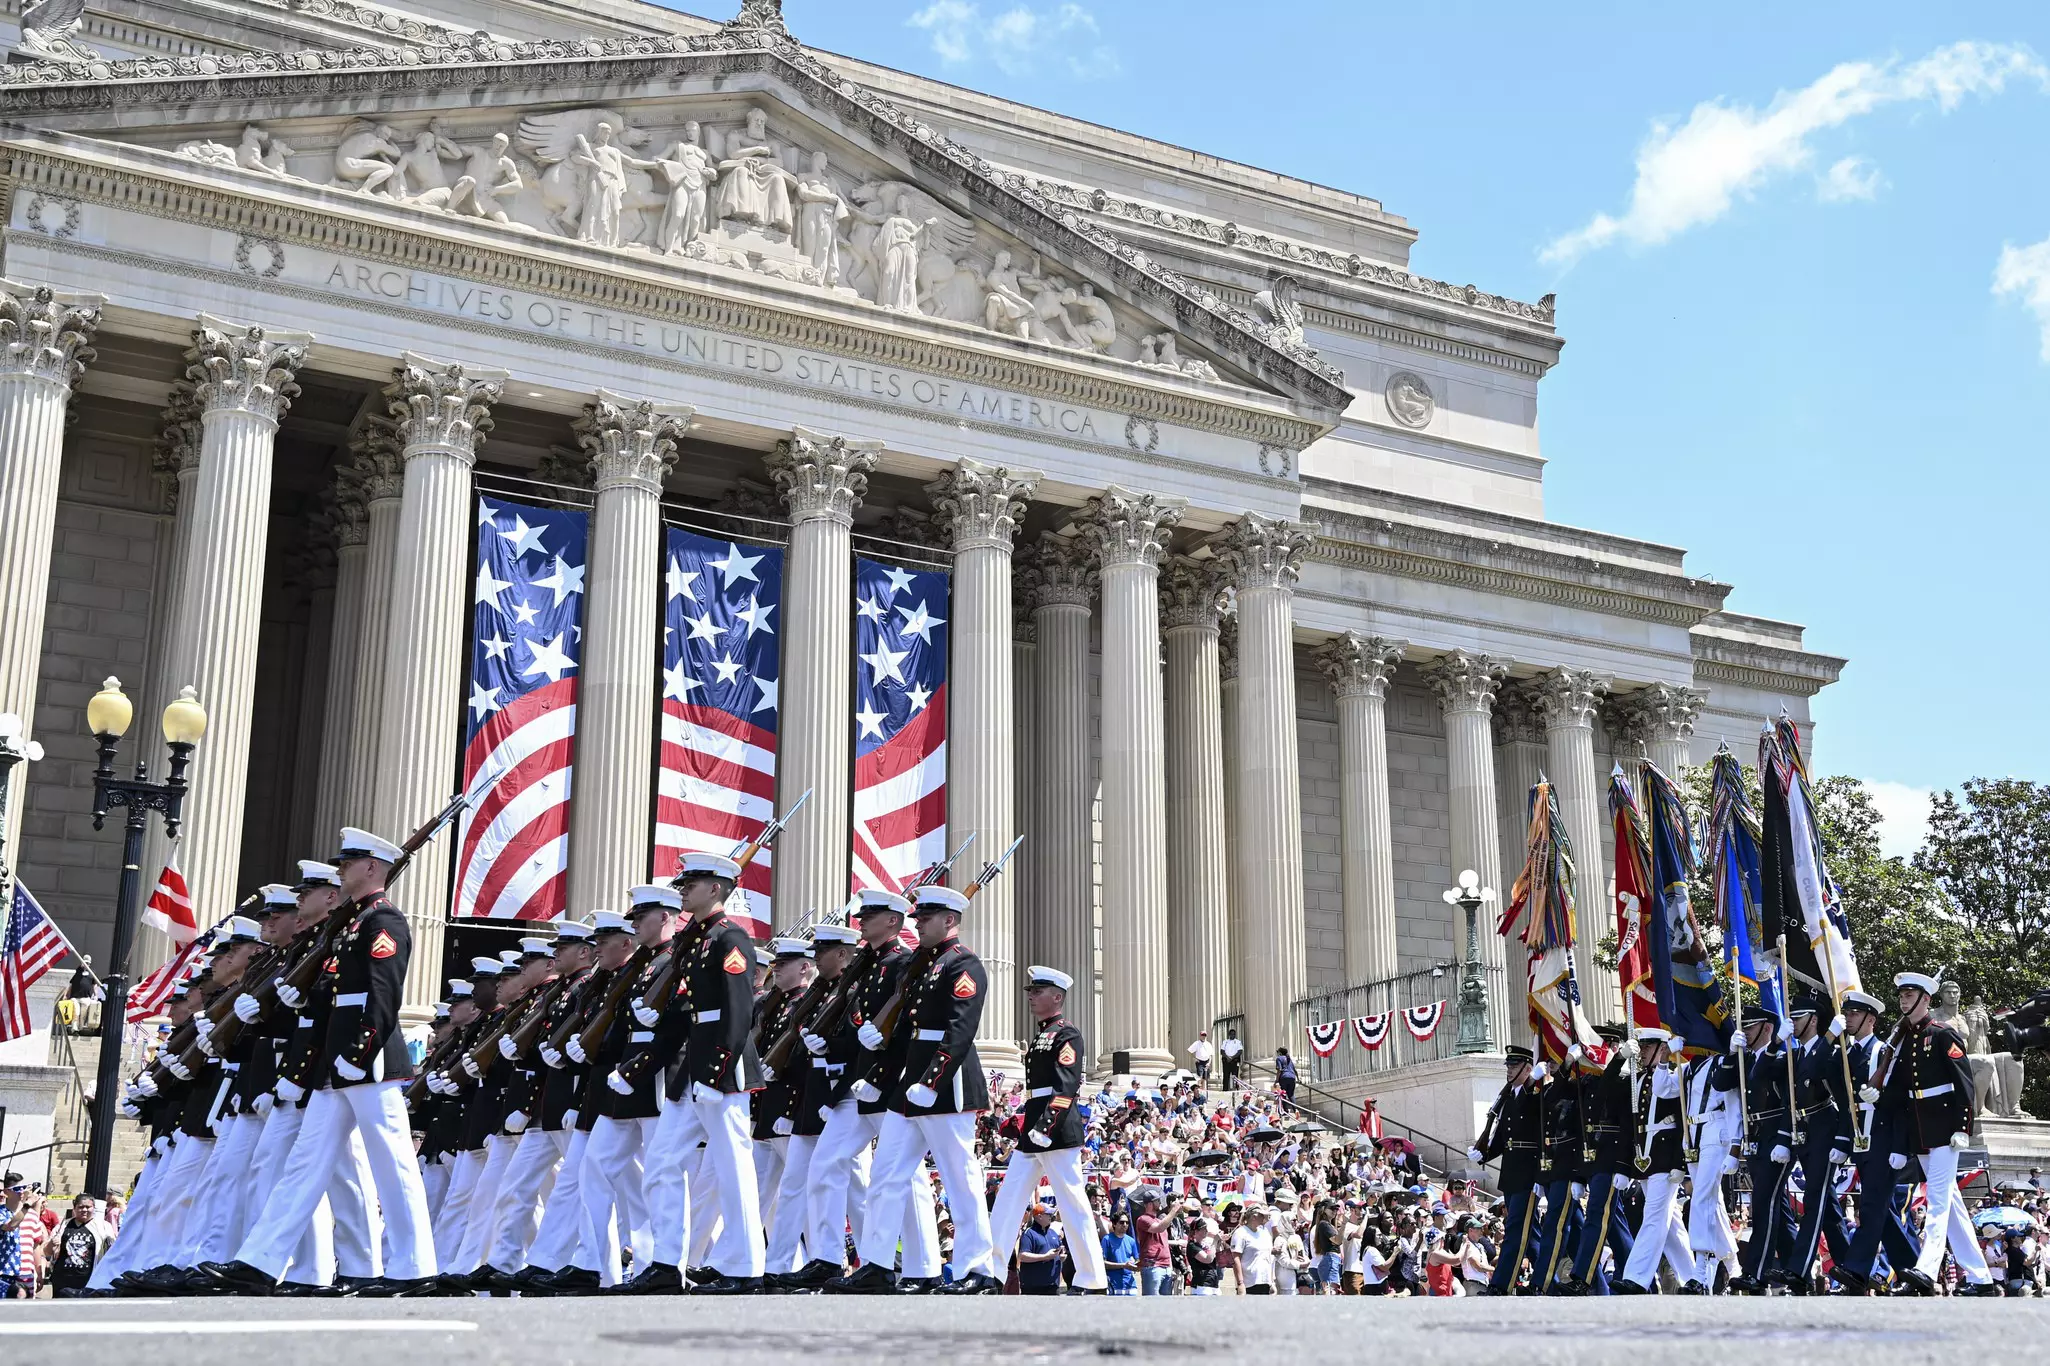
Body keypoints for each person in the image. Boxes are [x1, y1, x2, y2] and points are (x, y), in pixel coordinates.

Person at [207, 826, 439, 1296]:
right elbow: (334, 996)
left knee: (393, 1162)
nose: (342, 871)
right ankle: (260, 1260)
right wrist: (302, 1005)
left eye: (348, 864)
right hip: (336, 1065)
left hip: (368, 1063)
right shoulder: (353, 923)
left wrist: (359, 1052)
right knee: (304, 1164)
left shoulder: (383, 921)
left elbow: (382, 995)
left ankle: (415, 1267)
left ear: (371, 867)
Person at [835, 884, 997, 1294]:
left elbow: (960, 1030)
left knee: (959, 1178)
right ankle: (877, 1263)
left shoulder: (964, 964)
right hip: (909, 1084)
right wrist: (878, 1075)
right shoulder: (922, 966)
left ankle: (977, 1269)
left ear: (950, 920)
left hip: (945, 1084)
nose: (919, 924)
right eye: (918, 917)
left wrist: (931, 1081)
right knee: (886, 1174)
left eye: (926, 918)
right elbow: (906, 1031)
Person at [987, 965, 1106, 1293]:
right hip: (1035, 1129)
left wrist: (1045, 1125)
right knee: (1008, 1200)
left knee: (1072, 1203)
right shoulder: (1043, 1034)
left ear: (1057, 997)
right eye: (1031, 991)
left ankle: (1092, 1279)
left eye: (1037, 991)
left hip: (1055, 1129)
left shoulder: (1067, 1034)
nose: (1031, 996)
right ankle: (991, 1273)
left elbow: (1066, 1085)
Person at [1882, 969, 1999, 1296]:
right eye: (1901, 995)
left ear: (1925, 999)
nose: (1903, 1000)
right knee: (1952, 1204)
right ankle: (1981, 1278)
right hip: (1921, 1130)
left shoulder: (1943, 1034)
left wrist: (1963, 1127)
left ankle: (1926, 1269)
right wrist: (1875, 1096)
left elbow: (1964, 1084)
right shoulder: (1906, 1037)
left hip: (1947, 1130)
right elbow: (1900, 1088)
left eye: (1909, 995)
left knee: (1936, 1198)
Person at [1833, 989, 1920, 1293]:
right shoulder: (1848, 1055)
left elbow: (1901, 1103)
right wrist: (1842, 1141)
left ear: (1871, 1019)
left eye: (1854, 1014)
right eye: (1847, 1013)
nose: (1848, 1019)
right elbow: (1845, 1103)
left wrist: (1899, 1146)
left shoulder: (1885, 1052)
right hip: (1861, 1140)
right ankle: (1913, 1271)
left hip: (1884, 1140)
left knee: (1871, 1207)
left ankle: (1856, 1270)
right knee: (1884, 1214)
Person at [1471, 1044, 1545, 1294]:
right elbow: (1504, 1138)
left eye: (1515, 1065)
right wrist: (1484, 1154)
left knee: (1515, 1228)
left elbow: (1537, 1129)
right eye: (1509, 1065)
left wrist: (1533, 1083)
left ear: (1528, 1068)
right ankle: (1549, 1282)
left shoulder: (1533, 1095)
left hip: (1528, 1174)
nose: (1509, 1069)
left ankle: (1501, 1283)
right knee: (1531, 1234)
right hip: (1512, 1174)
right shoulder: (1508, 1098)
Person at [44, 1195, 114, 1298]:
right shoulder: (63, 1226)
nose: (84, 1210)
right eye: (81, 1207)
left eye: (88, 1207)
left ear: (94, 1208)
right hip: (63, 1280)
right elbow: (47, 1252)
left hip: (89, 1280)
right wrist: (52, 1243)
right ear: (74, 1208)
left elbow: (112, 1251)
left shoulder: (104, 1227)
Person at [1016, 1204, 1066, 1295]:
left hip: (1053, 1286)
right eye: (1048, 1214)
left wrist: (1060, 1257)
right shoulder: (1029, 1233)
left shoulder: (1053, 1233)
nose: (1051, 1216)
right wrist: (1045, 1256)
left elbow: (1058, 1252)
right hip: (1033, 1286)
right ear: (1039, 1216)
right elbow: (1022, 1256)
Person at [1132, 1190, 1174, 1295]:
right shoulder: (1143, 1219)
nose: (1160, 1202)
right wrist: (1173, 1210)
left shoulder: (1159, 1220)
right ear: (1150, 1204)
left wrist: (1170, 1266)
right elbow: (1159, 1228)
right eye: (1157, 1200)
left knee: (1166, 1303)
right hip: (1153, 1266)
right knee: (1151, 1301)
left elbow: (1165, 1244)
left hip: (1166, 1266)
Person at [1231, 1202, 1276, 1294]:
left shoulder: (1264, 1233)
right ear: (1254, 1217)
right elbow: (1236, 1259)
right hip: (1249, 1283)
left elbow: (1269, 1258)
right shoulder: (1240, 1233)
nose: (1264, 1218)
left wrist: (1271, 1282)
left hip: (1265, 1281)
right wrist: (1240, 1283)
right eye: (1261, 1215)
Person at [1102, 1213, 1139, 1295]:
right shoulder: (1107, 1239)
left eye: (1127, 1222)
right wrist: (1123, 1265)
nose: (1125, 1225)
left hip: (1130, 1285)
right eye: (1122, 1222)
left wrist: (1137, 1265)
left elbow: (1137, 1260)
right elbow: (1102, 1263)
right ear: (1114, 1224)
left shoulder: (1131, 1241)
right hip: (1113, 1285)